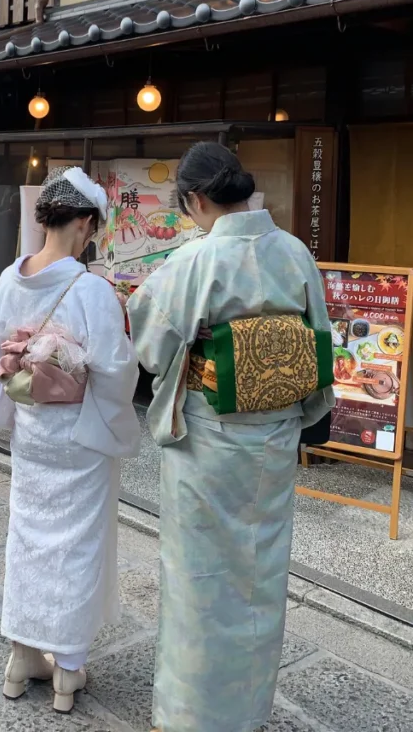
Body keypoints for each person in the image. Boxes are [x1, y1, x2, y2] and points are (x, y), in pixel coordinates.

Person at [127, 142, 335, 732]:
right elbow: (318, 342)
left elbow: (152, 343)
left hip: (209, 442)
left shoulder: (194, 262)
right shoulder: (294, 252)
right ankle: (247, 712)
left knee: (200, 580)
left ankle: (190, 717)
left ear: (195, 200)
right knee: (258, 577)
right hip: (273, 440)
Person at [0, 167, 140, 714]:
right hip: (81, 434)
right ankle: (68, 669)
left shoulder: (11, 278)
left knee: (28, 536)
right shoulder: (91, 288)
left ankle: (22, 657)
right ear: (86, 224)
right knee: (78, 543)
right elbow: (117, 369)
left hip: (33, 432)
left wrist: (30, 371)